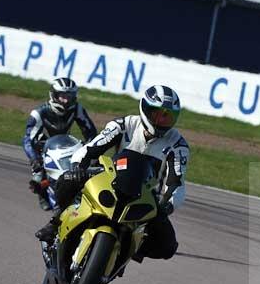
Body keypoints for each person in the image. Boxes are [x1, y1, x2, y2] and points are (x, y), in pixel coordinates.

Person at [35, 85, 189, 262]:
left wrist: (167, 206)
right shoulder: (124, 125)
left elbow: (176, 183)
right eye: (159, 114)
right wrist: (78, 166)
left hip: (145, 195)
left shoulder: (178, 145)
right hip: (110, 176)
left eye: (168, 116)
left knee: (167, 247)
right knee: (67, 179)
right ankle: (55, 223)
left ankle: (131, 247)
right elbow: (91, 148)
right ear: (146, 109)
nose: (163, 121)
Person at [23, 77, 97, 210]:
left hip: (65, 144)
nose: (66, 100)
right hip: (43, 147)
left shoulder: (76, 109)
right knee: (38, 175)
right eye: (62, 96)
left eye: (69, 96)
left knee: (85, 167)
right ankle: (42, 192)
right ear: (53, 95)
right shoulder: (39, 113)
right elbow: (28, 139)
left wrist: (91, 149)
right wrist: (34, 159)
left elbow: (90, 131)